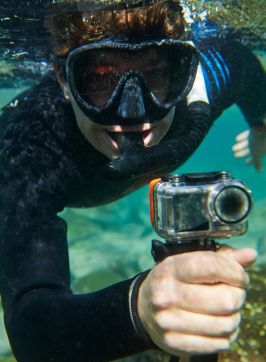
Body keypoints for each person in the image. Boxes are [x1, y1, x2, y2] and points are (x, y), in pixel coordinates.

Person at [0, 1, 264, 361]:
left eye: (156, 75)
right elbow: (31, 327)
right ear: (64, 80)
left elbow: (244, 65)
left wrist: (260, 123)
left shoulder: (205, 85)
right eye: (101, 79)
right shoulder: (28, 152)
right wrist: (139, 311)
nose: (133, 114)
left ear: (182, 74)